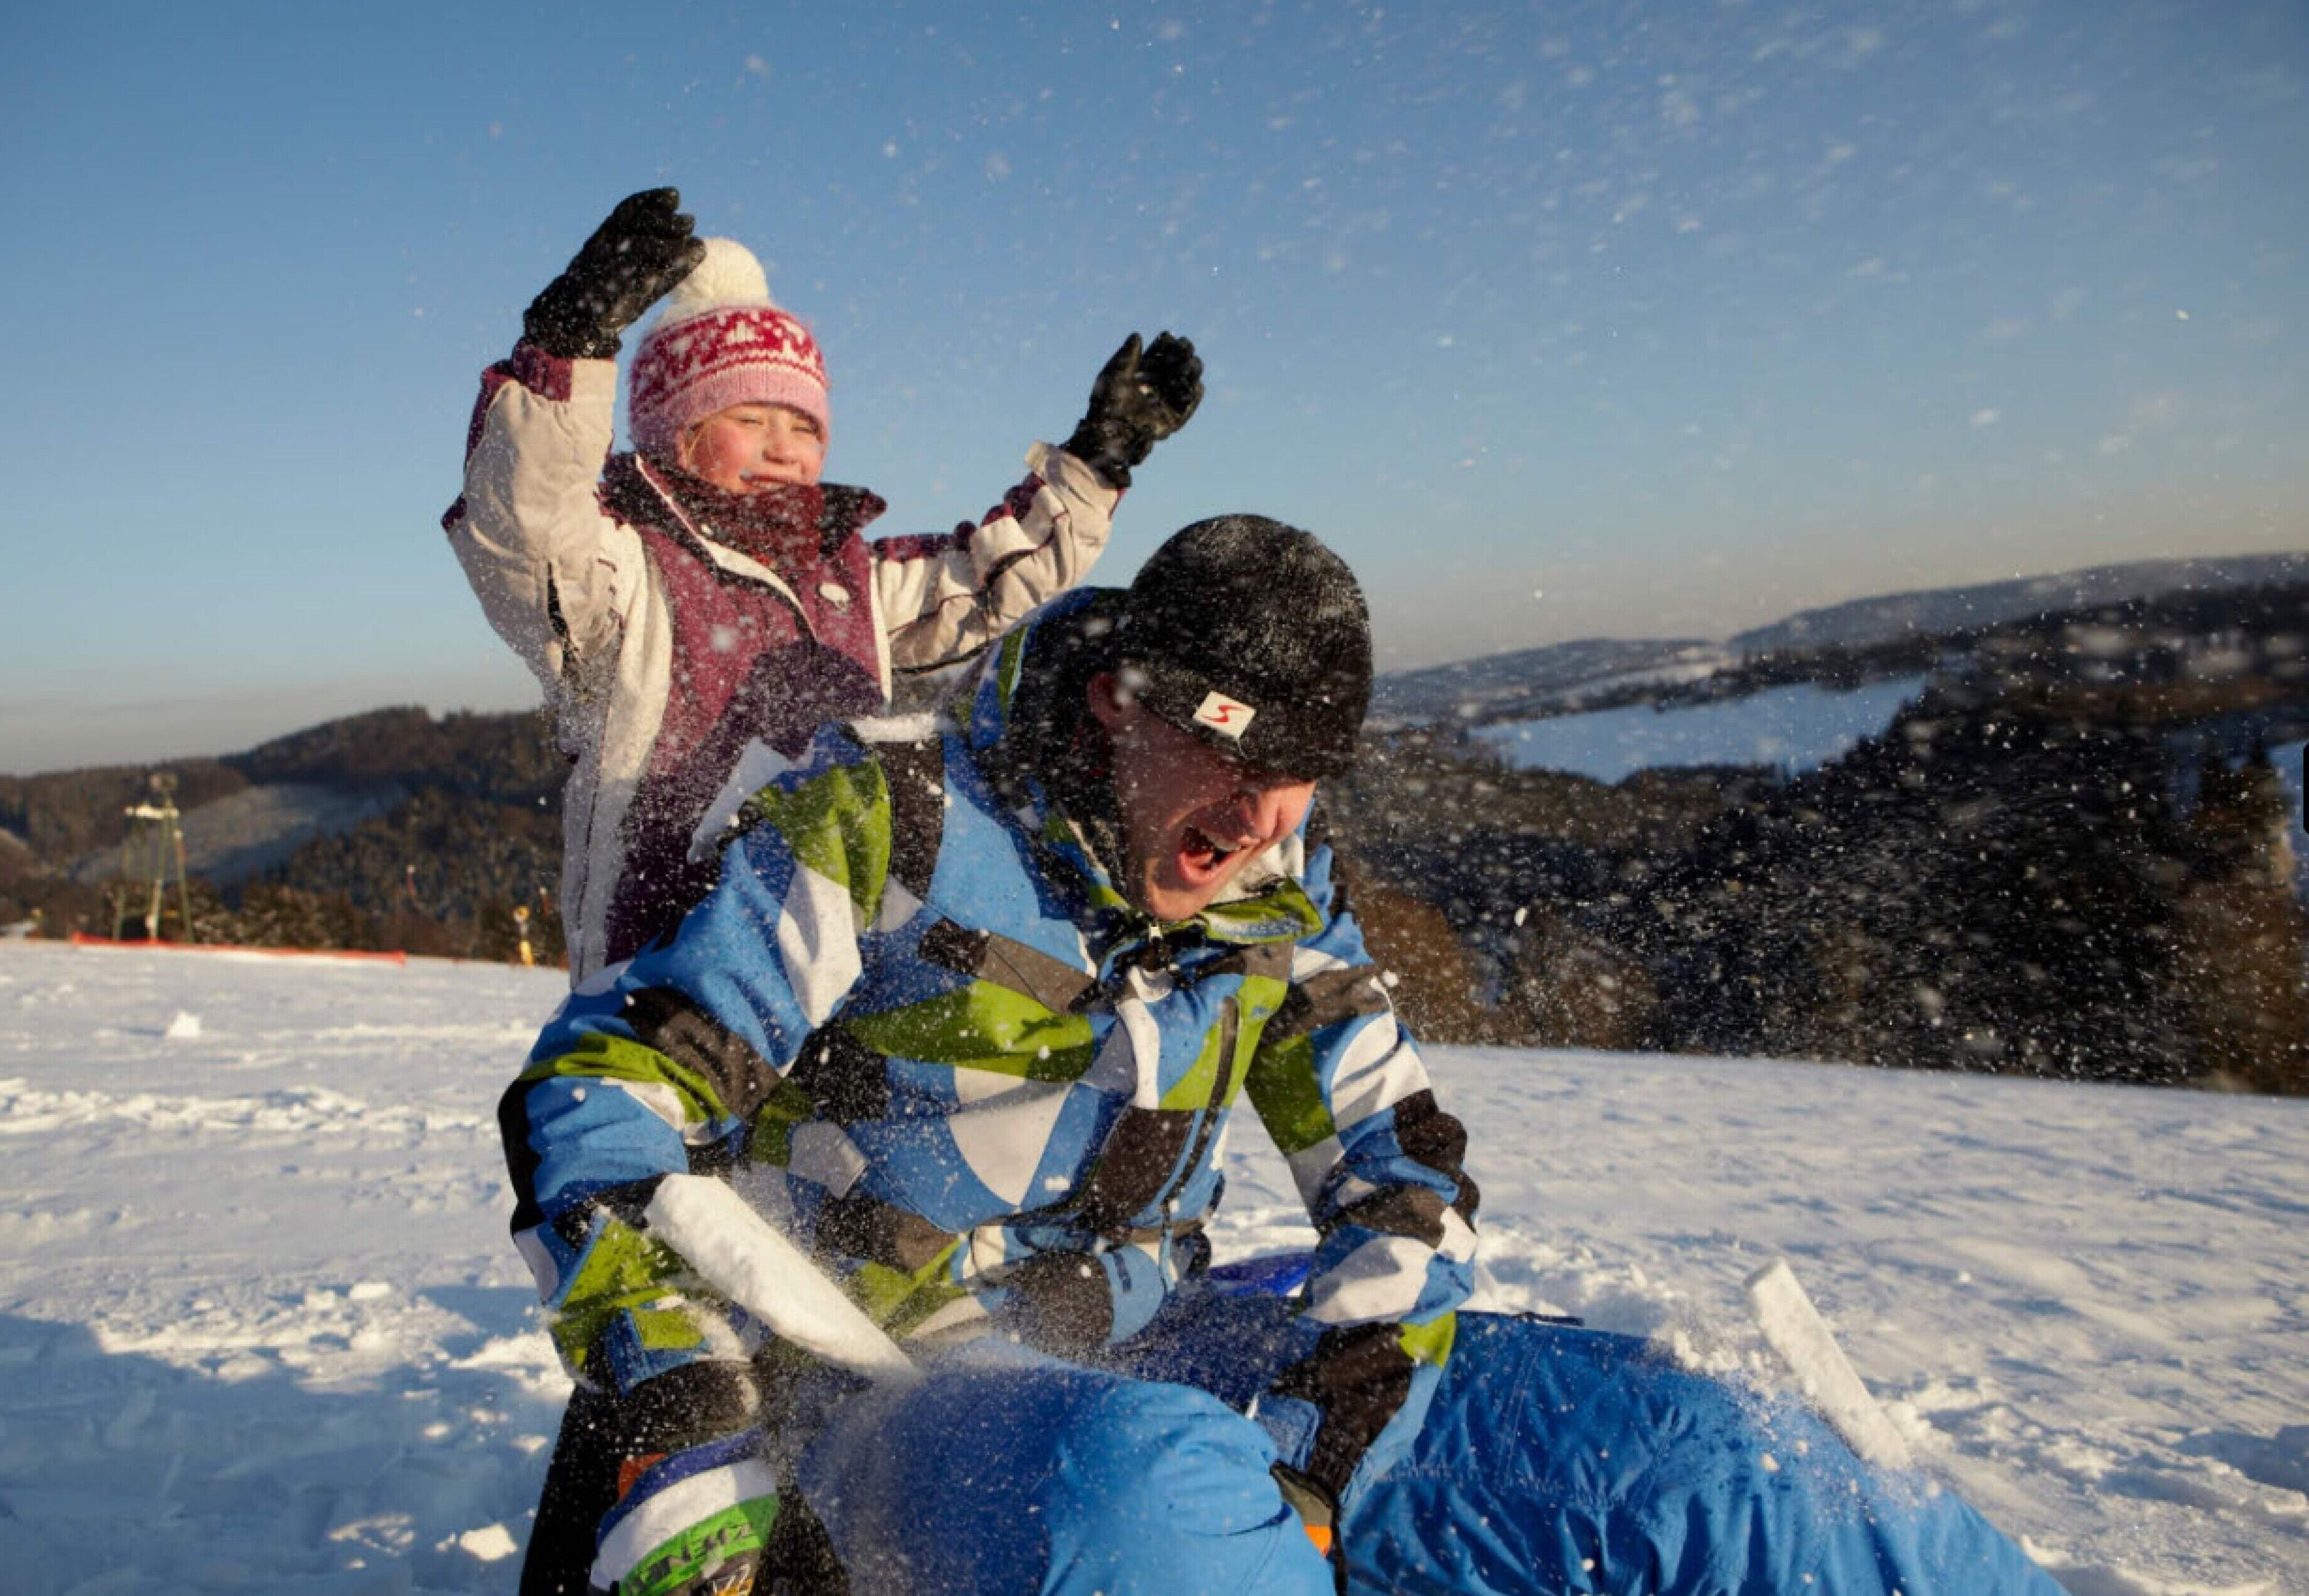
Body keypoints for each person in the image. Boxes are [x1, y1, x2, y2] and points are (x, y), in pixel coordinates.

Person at [497, 517, 2065, 1595]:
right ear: (1119, 703)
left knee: (1678, 1448)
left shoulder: (1272, 887)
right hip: (891, 1388)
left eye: (1303, 782)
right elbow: (601, 1100)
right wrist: (682, 1421)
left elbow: (1401, 1162)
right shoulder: (887, 824)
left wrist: (1335, 1404)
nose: (1261, 824)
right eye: (1232, 763)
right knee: (1152, 1498)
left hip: (1157, 1336)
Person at [446, 189, 1202, 984]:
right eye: (750, 418)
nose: (785, 448)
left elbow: (989, 576)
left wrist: (1097, 459)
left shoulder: (851, 580)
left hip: (834, 966)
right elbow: (523, 519)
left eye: (805, 425)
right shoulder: (623, 575)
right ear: (680, 431)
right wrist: (570, 340)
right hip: (666, 980)